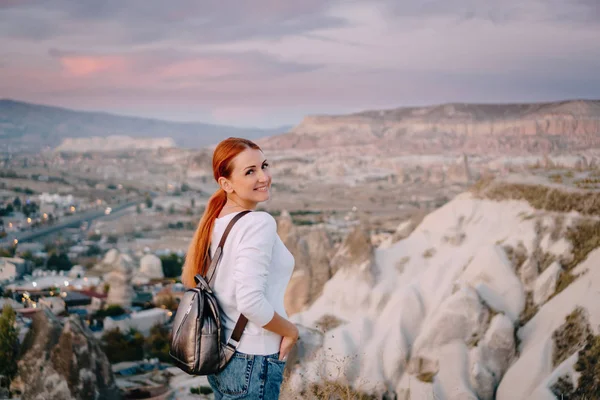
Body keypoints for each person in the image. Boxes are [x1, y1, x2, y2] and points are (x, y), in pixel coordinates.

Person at [181, 137, 298, 399]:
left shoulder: (218, 220)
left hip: (223, 357)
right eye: (250, 172)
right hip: (253, 359)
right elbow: (250, 302)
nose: (263, 177)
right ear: (226, 184)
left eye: (263, 166)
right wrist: (291, 331)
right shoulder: (258, 223)